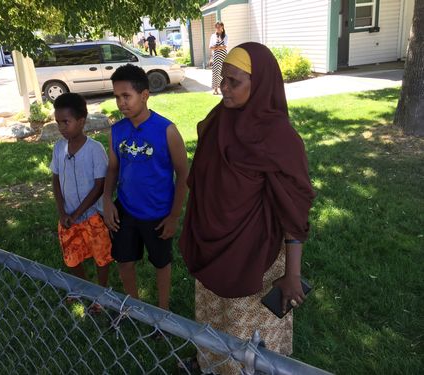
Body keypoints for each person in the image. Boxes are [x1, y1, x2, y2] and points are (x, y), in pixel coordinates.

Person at [179, 43, 316, 374]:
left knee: (248, 344)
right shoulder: (218, 121)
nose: (223, 88)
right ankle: (209, 366)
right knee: (214, 325)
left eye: (234, 81)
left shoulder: (279, 138)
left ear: (261, 85)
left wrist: (293, 274)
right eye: (222, 78)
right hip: (211, 248)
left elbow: (294, 211)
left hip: (253, 258)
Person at [103, 64, 188, 311]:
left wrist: (173, 216)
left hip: (159, 213)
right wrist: (107, 200)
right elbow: (112, 169)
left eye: (126, 96)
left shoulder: (166, 130)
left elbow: (183, 174)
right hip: (126, 209)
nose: (121, 103)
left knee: (161, 262)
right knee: (124, 260)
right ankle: (134, 306)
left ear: (145, 95)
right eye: (117, 96)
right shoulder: (117, 131)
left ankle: (162, 311)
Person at [50, 93, 113, 290]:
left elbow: (100, 185)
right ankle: (83, 288)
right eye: (58, 122)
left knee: (101, 256)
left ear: (81, 121)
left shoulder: (95, 149)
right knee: (72, 255)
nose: (61, 127)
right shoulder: (59, 148)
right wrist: (63, 213)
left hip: (93, 216)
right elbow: (56, 179)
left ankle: (101, 291)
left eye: (66, 122)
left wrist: (78, 213)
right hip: (68, 217)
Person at [209, 22, 228, 95]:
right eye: (216, 27)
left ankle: (223, 89)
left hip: (223, 57)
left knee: (223, 73)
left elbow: (225, 46)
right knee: (215, 73)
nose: (218, 28)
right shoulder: (213, 36)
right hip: (216, 57)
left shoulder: (225, 36)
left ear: (222, 27)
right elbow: (210, 47)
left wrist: (216, 47)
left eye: (219, 27)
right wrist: (219, 47)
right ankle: (215, 89)